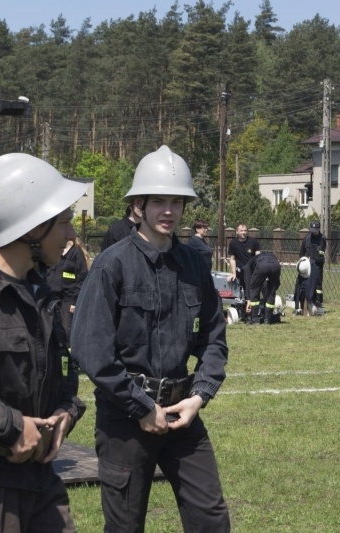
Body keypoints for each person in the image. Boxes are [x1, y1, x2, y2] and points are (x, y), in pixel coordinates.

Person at [71, 145, 231, 532]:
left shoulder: (194, 264)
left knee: (210, 518)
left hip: (181, 413)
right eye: (158, 200)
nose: (168, 210)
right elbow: (92, 351)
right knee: (125, 526)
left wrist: (199, 396)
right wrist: (141, 407)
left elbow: (214, 337)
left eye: (177, 202)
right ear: (139, 204)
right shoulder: (112, 265)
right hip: (125, 419)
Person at [0, 153, 88, 532]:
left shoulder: (42, 292)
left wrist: (66, 411)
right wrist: (12, 428)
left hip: (42, 482)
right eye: (63, 222)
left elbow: (64, 370)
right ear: (31, 227)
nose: (71, 235)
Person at [46, 236, 90, 340]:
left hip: (68, 300)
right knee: (50, 328)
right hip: (52, 298)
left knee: (66, 330)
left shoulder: (76, 253)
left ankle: (68, 348)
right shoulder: (55, 251)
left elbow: (82, 279)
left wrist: (75, 302)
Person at [243, 251, 282, 325]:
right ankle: (267, 319)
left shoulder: (249, 264)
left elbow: (248, 282)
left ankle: (255, 319)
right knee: (271, 293)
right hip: (276, 265)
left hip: (262, 265)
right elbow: (277, 283)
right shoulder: (271, 256)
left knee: (255, 290)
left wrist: (248, 298)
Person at [227, 223, 260, 300]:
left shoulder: (253, 241)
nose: (243, 232)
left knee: (263, 281)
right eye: (241, 230)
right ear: (237, 231)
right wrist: (234, 273)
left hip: (252, 267)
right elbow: (232, 259)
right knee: (246, 269)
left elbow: (258, 256)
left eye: (245, 230)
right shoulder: (233, 243)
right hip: (241, 268)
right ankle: (247, 297)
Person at [300, 220, 327, 308]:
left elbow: (322, 251)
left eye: (315, 231)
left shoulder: (322, 238)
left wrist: (316, 257)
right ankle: (305, 300)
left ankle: (318, 302)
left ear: (319, 229)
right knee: (306, 282)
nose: (313, 232)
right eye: (312, 230)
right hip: (307, 265)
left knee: (318, 283)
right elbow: (302, 251)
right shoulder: (307, 238)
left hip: (317, 264)